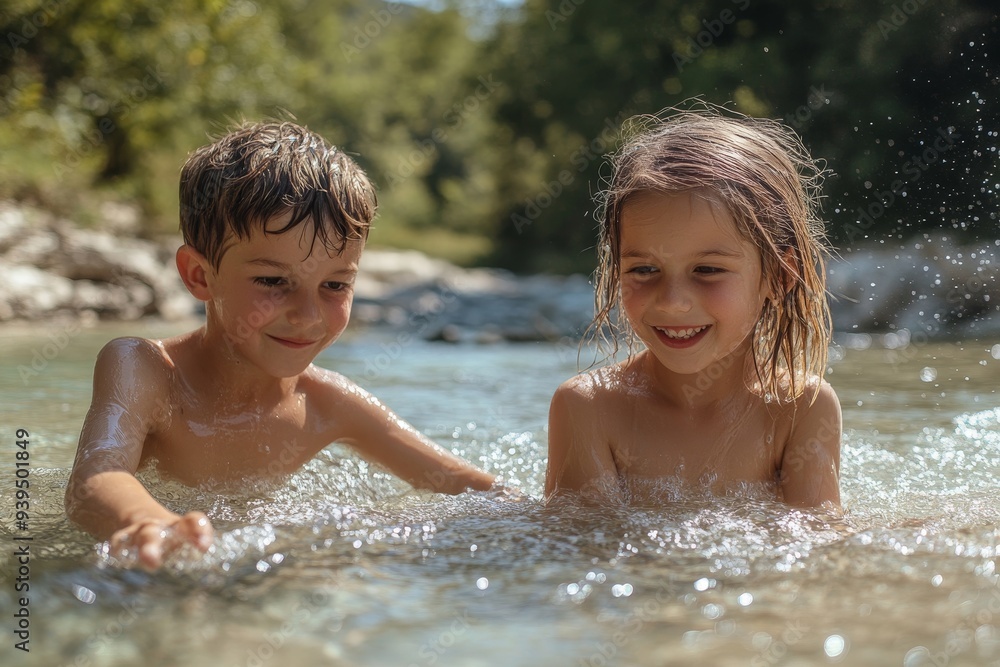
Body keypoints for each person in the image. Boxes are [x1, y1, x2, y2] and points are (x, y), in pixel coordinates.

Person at [66, 121, 495, 568]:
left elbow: (471, 488)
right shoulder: (146, 369)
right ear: (199, 275)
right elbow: (96, 478)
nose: (307, 315)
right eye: (272, 281)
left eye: (334, 285)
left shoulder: (329, 404)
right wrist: (149, 521)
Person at [546, 107, 841, 510]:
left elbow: (815, 545)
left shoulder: (799, 408)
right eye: (645, 269)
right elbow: (584, 554)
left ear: (780, 276)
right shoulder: (589, 408)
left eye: (707, 270)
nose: (672, 301)